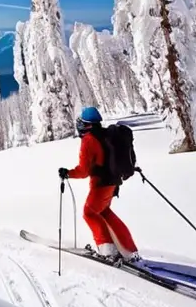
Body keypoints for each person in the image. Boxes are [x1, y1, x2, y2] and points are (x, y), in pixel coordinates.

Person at [58, 107, 141, 264]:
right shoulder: (105, 134)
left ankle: (108, 251)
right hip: (113, 182)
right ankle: (130, 251)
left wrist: (68, 173)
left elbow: (83, 171)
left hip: (101, 184)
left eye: (81, 123)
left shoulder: (88, 141)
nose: (79, 126)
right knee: (104, 212)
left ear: (87, 125)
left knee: (89, 213)